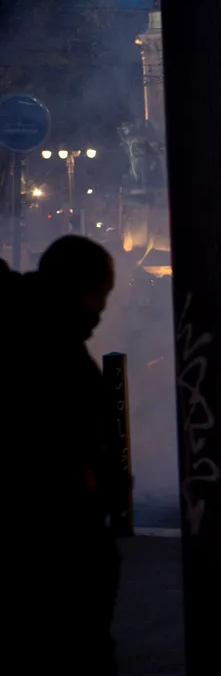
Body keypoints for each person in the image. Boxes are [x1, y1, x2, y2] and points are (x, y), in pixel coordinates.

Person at [3, 236, 124, 674]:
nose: (102, 309)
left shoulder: (29, 322)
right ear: (77, 287)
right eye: (99, 295)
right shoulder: (54, 351)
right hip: (53, 542)